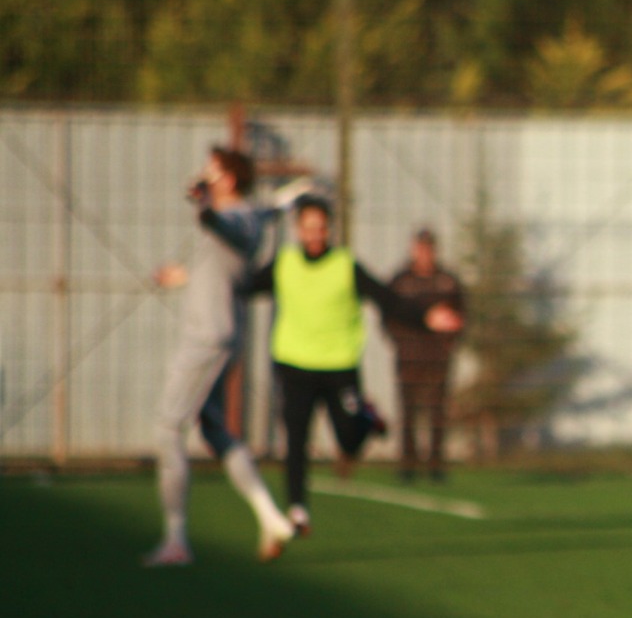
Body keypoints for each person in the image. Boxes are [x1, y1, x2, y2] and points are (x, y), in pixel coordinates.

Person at [245, 197, 462, 535]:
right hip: (294, 365)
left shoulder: (345, 265)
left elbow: (386, 299)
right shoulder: (283, 264)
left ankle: (367, 419)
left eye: (322, 227)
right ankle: (298, 509)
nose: (315, 234)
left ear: (330, 228)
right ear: (298, 229)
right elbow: (241, 284)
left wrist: (426, 316)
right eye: (309, 228)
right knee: (297, 437)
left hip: (339, 367)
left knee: (348, 440)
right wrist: (193, 276)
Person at [145, 147, 305, 567]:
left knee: (168, 428)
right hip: (218, 333)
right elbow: (220, 259)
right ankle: (271, 518)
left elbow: (216, 222)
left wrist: (202, 201)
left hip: (207, 337)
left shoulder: (234, 217)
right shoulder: (250, 215)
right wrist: (178, 276)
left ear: (228, 180)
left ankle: (176, 540)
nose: (204, 173)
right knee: (215, 429)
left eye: (212, 171)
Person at [386, 228, 467, 483]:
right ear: (413, 249)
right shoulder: (401, 282)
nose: (424, 253)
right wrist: (401, 342)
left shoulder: (447, 282)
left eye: (429, 248)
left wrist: (449, 341)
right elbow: (388, 317)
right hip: (409, 357)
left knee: (436, 413)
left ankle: (435, 465)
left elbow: (462, 316)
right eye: (420, 248)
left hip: (437, 358)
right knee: (408, 413)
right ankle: (408, 464)